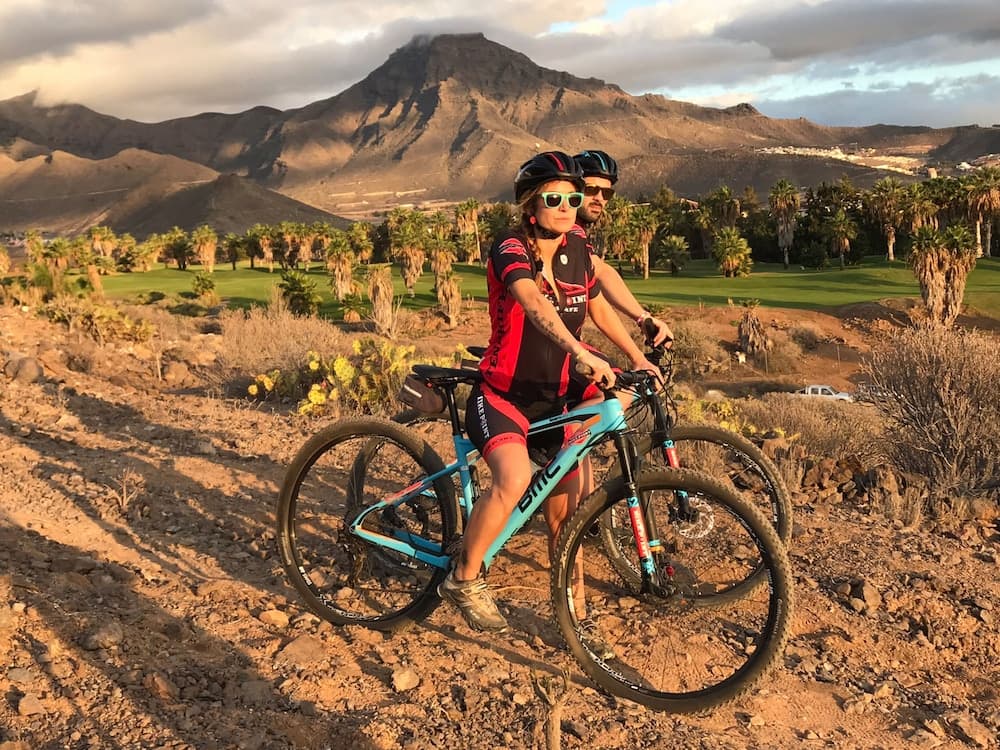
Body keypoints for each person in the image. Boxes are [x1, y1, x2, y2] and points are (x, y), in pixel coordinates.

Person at [438, 152, 651, 655]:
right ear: (531, 205)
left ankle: (575, 619)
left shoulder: (577, 245)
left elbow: (596, 301)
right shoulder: (510, 247)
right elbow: (533, 303)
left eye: (573, 199)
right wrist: (579, 352)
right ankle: (464, 578)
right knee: (513, 479)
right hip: (503, 395)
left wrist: (637, 355)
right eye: (554, 199)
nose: (566, 207)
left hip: (559, 401)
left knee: (567, 520)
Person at [572, 149, 674, 346]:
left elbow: (600, 270)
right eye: (591, 190)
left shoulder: (577, 233)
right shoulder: (559, 232)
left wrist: (642, 317)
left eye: (606, 193)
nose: (599, 198)